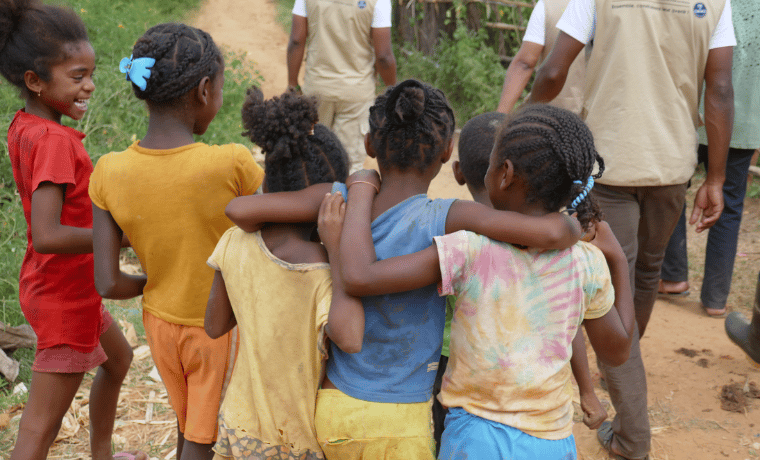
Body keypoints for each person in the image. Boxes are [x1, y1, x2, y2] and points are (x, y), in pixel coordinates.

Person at [225, 79, 584, 459]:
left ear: (369, 144)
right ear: (447, 151)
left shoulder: (338, 198)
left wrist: (356, 196)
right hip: (402, 420)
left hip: (333, 407)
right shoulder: (448, 216)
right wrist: (579, 223)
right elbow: (552, 231)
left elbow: (239, 211)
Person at [333, 103, 635, 460]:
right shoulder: (587, 264)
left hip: (473, 439)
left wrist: (359, 195)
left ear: (504, 174)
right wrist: (616, 259)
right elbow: (618, 351)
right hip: (550, 442)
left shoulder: (468, 251)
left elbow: (361, 276)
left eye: (491, 162)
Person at [528, 0, 736, 457]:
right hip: (672, 164)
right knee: (644, 275)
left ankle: (631, 434)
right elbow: (718, 89)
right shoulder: (715, 3)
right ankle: (624, 361)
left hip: (611, 162)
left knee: (608, 287)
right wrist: (716, 179)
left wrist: (519, 125)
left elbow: (551, 71)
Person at [89, 24, 265, 460]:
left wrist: (158, 280)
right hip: (217, 327)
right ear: (204, 90)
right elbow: (272, 234)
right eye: (220, 89)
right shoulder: (230, 163)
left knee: (189, 425)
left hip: (159, 327)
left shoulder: (109, 171)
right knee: (202, 441)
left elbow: (108, 283)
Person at [0, 1, 143, 459]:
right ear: (35, 81)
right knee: (39, 429)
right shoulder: (56, 142)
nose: (90, 85)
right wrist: (121, 235)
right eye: (77, 76)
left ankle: (102, 453)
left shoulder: (28, 126)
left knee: (118, 360)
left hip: (58, 283)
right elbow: (48, 233)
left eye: (91, 74)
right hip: (64, 293)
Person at [429, 111, 607, 454]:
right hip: (548, 435)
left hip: (465, 405)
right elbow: (573, 328)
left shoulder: (462, 241)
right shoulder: (579, 255)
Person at [205, 87, 363, 460]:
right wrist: (338, 250)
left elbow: (214, 325)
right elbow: (351, 338)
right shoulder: (323, 269)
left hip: (239, 426)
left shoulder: (232, 243)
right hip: (298, 439)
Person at [660, 0, 759, 318]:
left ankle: (673, 276)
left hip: (692, 110)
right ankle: (715, 298)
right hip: (742, 121)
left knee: (672, 188)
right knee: (729, 203)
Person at [286, 0, 397, 173]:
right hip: (356, 95)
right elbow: (383, 56)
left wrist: (292, 85)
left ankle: (314, 198)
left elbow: (296, 40)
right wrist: (393, 93)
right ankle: (343, 200)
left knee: (311, 158)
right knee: (349, 165)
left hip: (317, 90)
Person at [496, 0, 585, 114]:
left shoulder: (550, 6)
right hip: (605, 121)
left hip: (555, 117)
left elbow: (525, 63)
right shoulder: (611, 8)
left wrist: (499, 117)